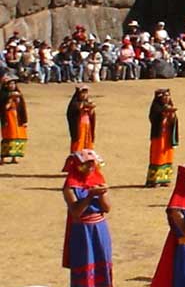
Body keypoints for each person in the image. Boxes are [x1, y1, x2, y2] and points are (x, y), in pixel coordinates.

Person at [62, 149, 113, 287]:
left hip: (99, 229)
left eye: (93, 164)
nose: (91, 167)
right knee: (84, 262)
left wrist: (102, 194)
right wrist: (89, 197)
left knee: (102, 260)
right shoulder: (70, 186)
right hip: (82, 232)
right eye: (87, 164)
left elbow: (107, 208)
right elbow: (75, 212)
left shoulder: (98, 179)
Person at [146, 89, 179, 187]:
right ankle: (154, 179)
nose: (166, 98)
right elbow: (154, 119)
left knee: (168, 156)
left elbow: (174, 122)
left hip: (168, 137)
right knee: (158, 157)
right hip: (159, 137)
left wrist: (172, 115)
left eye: (168, 96)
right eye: (164, 96)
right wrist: (163, 114)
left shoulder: (170, 106)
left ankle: (165, 178)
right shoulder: (156, 109)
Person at [0, 75, 28, 163]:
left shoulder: (19, 94)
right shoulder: (3, 95)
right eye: (10, 84)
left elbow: (23, 108)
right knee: (8, 137)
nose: (12, 85)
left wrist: (24, 120)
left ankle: (14, 157)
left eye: (14, 84)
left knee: (18, 137)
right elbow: (3, 108)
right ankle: (2, 158)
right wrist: (9, 100)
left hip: (18, 119)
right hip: (8, 118)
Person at [67, 85, 97, 152]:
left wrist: (91, 110)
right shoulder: (74, 104)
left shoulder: (88, 102)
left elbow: (92, 115)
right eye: (83, 93)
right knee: (78, 145)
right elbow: (74, 111)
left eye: (86, 93)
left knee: (87, 144)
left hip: (87, 128)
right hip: (79, 128)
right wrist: (84, 106)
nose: (84, 95)